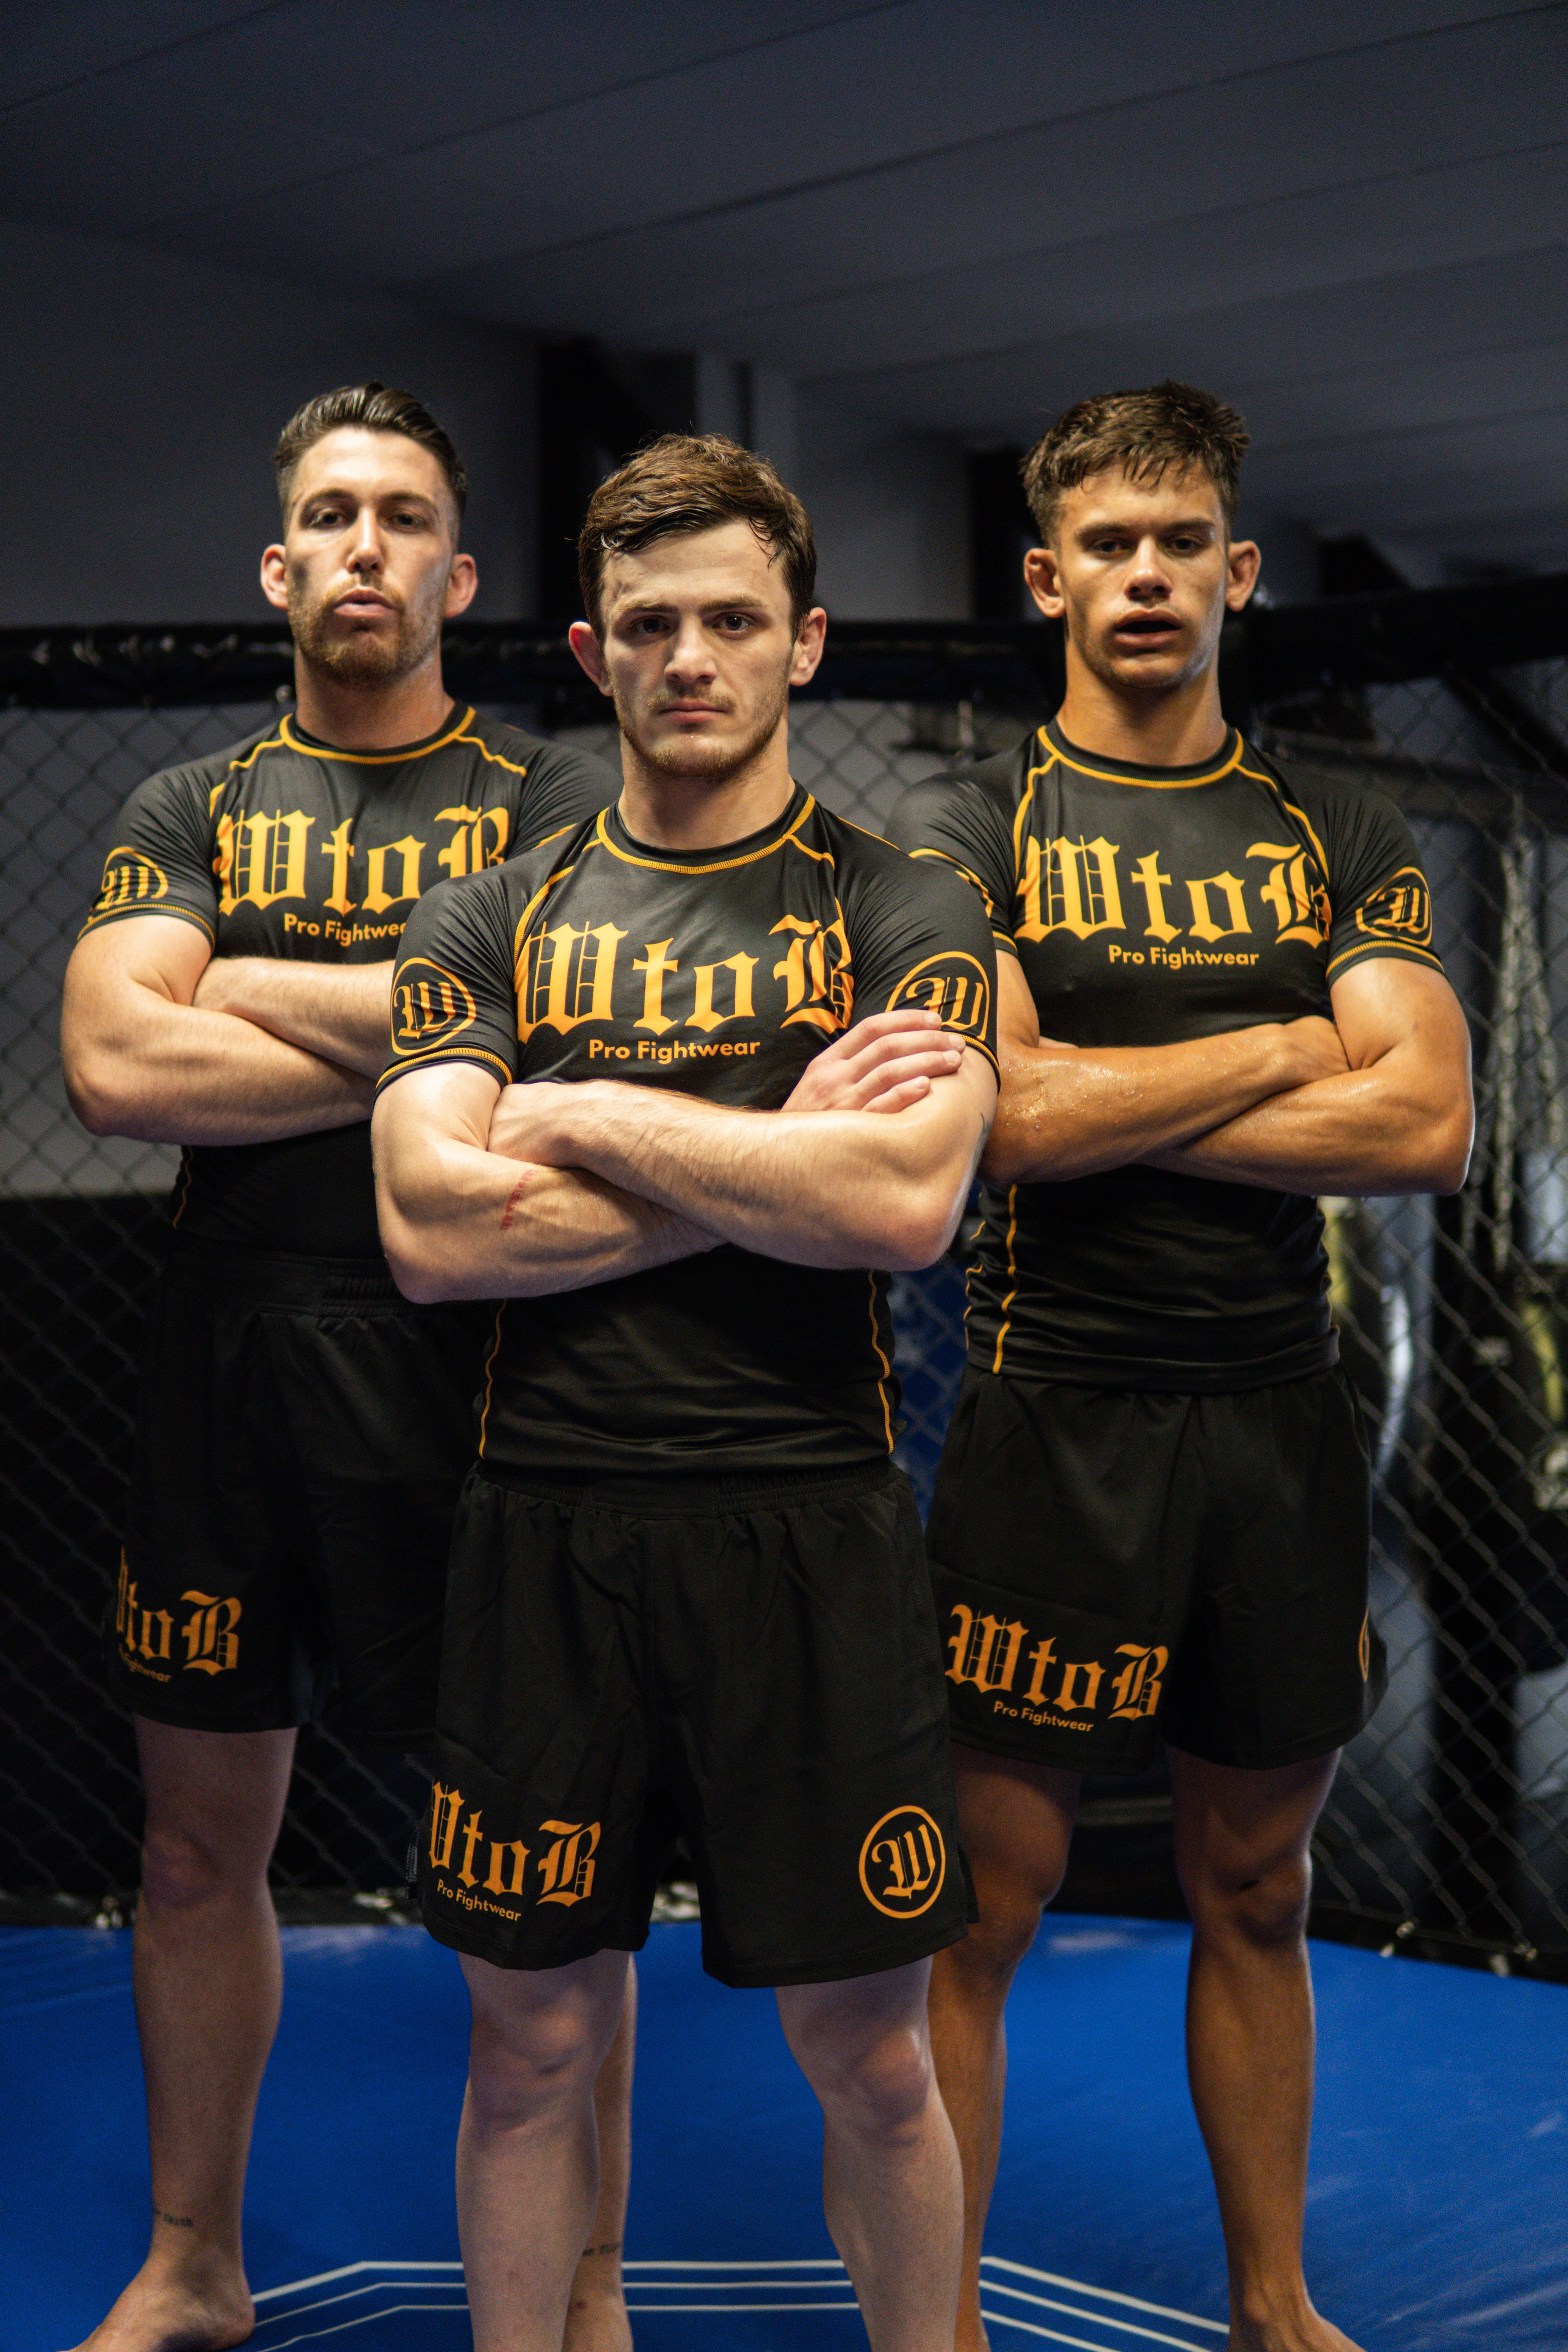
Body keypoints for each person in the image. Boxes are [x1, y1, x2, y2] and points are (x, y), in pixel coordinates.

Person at [371, 432, 1000, 2352]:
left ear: (805, 641)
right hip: (545, 1530)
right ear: (591, 651)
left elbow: (900, 1204)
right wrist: (765, 1152)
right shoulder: (484, 916)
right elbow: (429, 1229)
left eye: (733, 620)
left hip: (811, 1531)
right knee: (529, 2047)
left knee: (873, 2060)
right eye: (649, 626)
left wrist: (569, 1110)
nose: (691, 659)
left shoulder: (904, 905)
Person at [887, 381, 1473, 2352]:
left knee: (1262, 1890)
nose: (1146, 576)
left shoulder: (1338, 827)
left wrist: (1111, 1090)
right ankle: (942, 2325)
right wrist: (1291, 1045)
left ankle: (1272, 2305)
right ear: (1047, 577)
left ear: (1240, 570)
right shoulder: (974, 827)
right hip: (1056, 1410)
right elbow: (1009, 1121)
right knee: (986, 1906)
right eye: (1107, 546)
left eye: (1180, 542)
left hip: (1275, 1423)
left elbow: (1426, 1124)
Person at [59, 383, 635, 2352]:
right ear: (278, 565)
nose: (364, 544)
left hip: (476, 1375)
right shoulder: (190, 807)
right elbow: (115, 1063)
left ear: (460, 577)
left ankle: (584, 2285)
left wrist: (239, 985)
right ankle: (193, 2264)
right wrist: (438, 1029)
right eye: (330, 513)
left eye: (403, 516)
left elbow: (571, 1041)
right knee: (189, 1847)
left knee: (545, 1867)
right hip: (227, 1376)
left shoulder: (549, 801)